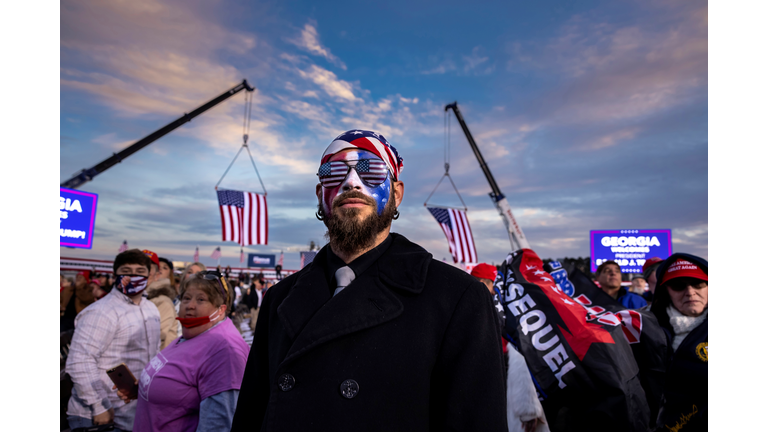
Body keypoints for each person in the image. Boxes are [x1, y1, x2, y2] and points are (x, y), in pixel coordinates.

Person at [231, 129, 507, 431]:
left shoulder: (458, 298)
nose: (351, 182)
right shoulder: (279, 299)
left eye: (371, 171)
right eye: (333, 172)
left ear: (397, 193)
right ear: (319, 192)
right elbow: (252, 414)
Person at [119, 271, 249, 431]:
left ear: (220, 309)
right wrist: (148, 387)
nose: (190, 305)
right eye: (186, 298)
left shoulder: (224, 350)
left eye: (201, 299)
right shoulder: (194, 333)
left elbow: (218, 425)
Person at [65, 249, 161, 432]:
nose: (133, 276)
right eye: (126, 271)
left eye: (140, 272)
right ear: (115, 274)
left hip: (131, 413)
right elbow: (80, 361)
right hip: (98, 416)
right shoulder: (102, 311)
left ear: (149, 276)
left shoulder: (151, 309)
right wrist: (99, 406)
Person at [471, 263, 548, 432]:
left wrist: (528, 409)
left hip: (506, 390)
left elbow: (523, 364)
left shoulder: (510, 312)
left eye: (482, 282)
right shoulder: (476, 309)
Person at [650, 253, 708, 431]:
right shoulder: (644, 330)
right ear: (666, 292)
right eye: (678, 286)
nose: (690, 292)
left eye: (698, 283)